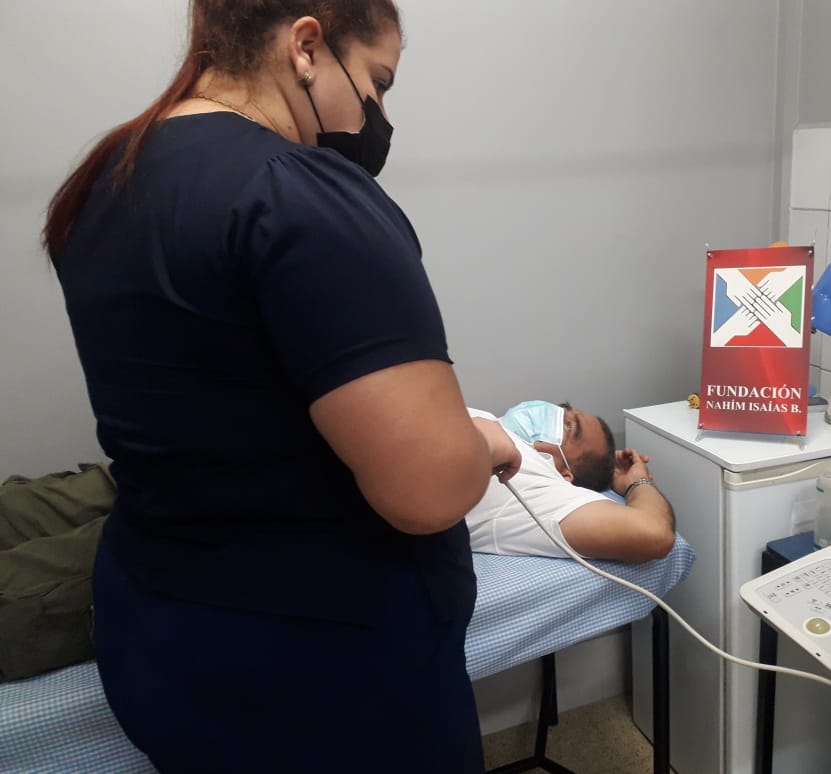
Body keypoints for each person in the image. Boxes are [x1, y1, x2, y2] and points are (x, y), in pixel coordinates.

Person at [43, 3, 520, 772]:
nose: (379, 113)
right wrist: (483, 442)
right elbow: (428, 491)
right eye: (377, 82)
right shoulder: (296, 192)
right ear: (306, 46)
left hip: (156, 626)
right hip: (319, 672)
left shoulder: (112, 175)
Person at [467, 401, 676, 563]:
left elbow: (655, 533)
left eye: (568, 426)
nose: (551, 413)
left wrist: (637, 482)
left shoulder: (535, 486)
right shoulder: (496, 424)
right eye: (561, 410)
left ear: (566, 474)